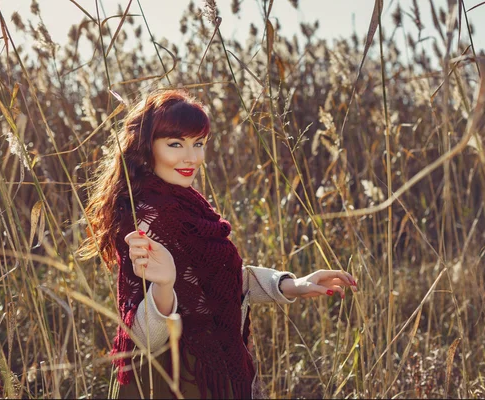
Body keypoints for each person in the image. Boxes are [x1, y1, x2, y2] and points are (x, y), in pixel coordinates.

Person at [77, 89, 358, 399]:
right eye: (175, 144)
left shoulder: (186, 204)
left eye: (198, 144)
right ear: (146, 148)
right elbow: (142, 337)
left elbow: (219, 278)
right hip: (174, 380)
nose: (191, 157)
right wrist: (165, 286)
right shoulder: (148, 216)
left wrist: (294, 284)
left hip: (208, 371)